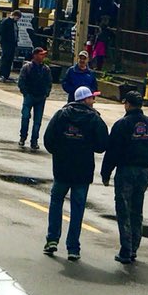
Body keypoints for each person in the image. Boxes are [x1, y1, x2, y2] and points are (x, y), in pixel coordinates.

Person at [42, 85, 109, 261]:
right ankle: (73, 247)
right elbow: (102, 145)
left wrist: (60, 151)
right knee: (77, 209)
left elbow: (48, 140)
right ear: (85, 100)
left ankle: (52, 239)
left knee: (56, 202)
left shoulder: (60, 115)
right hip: (83, 170)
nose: (94, 101)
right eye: (92, 98)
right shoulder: (94, 119)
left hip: (62, 169)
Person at [101, 88, 148, 264]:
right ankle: (134, 247)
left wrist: (105, 173)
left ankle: (126, 249)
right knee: (137, 210)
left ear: (127, 105)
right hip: (145, 172)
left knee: (123, 210)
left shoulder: (122, 125)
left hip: (126, 171)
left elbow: (112, 151)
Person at [17, 46, 53, 151]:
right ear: (35, 55)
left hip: (40, 97)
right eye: (41, 54)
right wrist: (25, 93)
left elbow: (49, 82)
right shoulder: (27, 67)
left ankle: (34, 140)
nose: (43, 57)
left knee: (37, 121)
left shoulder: (46, 69)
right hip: (30, 96)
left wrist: (46, 93)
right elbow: (21, 81)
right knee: (25, 117)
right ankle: (23, 137)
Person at [0, 9, 18, 81]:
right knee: (5, 59)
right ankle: (2, 74)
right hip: (6, 43)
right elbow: (2, 31)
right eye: (17, 17)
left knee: (9, 59)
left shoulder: (14, 23)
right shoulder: (6, 21)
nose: (17, 19)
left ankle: (6, 74)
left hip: (12, 43)